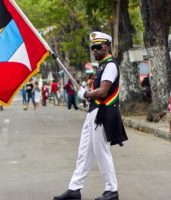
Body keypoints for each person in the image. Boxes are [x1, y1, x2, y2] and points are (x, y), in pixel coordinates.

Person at [53, 32, 128, 200]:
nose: (94, 50)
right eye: (92, 47)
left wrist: (85, 94)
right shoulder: (101, 66)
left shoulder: (109, 65)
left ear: (106, 47)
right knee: (84, 151)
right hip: (93, 112)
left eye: (98, 46)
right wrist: (86, 94)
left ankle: (112, 190)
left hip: (103, 112)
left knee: (102, 152)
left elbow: (103, 91)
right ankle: (74, 189)